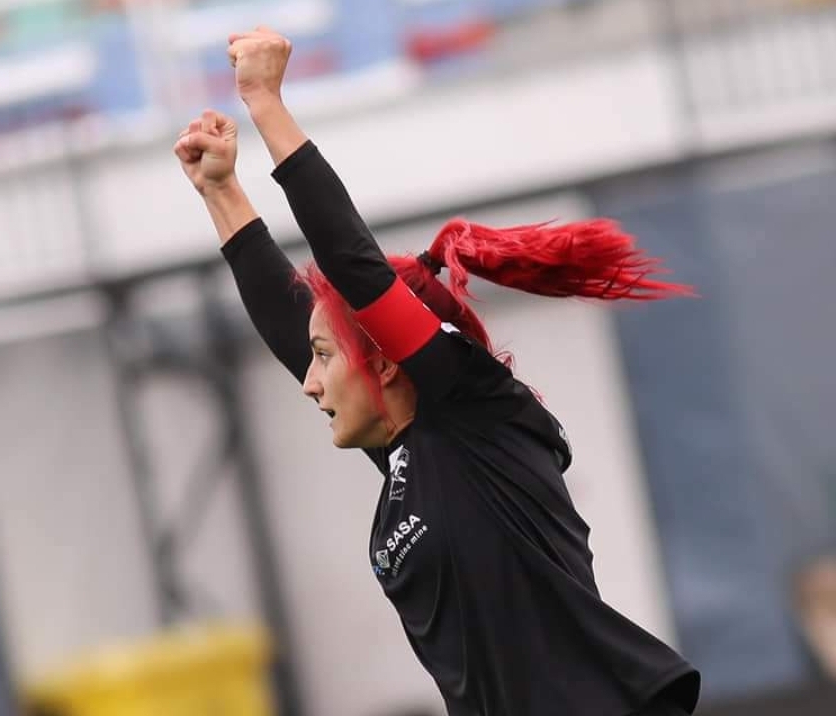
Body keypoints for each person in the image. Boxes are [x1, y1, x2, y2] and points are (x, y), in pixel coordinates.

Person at [173, 27, 701, 716]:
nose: (309, 381)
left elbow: (354, 267)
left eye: (325, 358)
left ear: (388, 361)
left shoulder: (470, 410)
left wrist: (265, 102)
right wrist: (220, 191)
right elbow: (290, 322)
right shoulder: (412, 455)